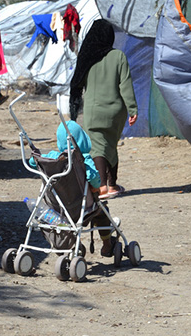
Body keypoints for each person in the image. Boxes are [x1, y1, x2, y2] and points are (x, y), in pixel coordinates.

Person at [69, 19, 138, 200]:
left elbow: (78, 82)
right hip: (116, 112)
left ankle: (101, 187)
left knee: (97, 146)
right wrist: (132, 109)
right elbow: (125, 85)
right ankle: (113, 184)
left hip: (93, 111)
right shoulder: (118, 56)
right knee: (110, 144)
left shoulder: (87, 57)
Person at [30, 120, 117, 257]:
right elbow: (94, 178)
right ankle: (107, 245)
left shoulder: (53, 157)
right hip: (80, 208)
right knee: (102, 211)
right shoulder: (82, 159)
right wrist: (97, 186)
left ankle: (70, 246)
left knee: (67, 219)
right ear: (82, 138)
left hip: (57, 208)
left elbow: (33, 162)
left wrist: (35, 156)